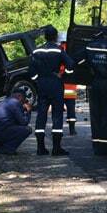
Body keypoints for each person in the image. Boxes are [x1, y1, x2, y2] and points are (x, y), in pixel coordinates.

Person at [30, 25, 74, 156]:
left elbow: (31, 72)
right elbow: (71, 66)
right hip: (56, 84)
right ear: (55, 37)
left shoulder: (36, 52)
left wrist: (38, 79)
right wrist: (63, 75)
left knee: (41, 115)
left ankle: (40, 148)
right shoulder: (59, 51)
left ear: (45, 36)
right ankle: (56, 148)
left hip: (42, 85)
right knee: (57, 116)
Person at [76, 33, 107, 155]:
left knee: (95, 115)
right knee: (105, 115)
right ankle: (105, 146)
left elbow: (76, 60)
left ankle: (97, 146)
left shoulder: (90, 47)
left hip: (94, 82)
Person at [0, 88, 32, 155]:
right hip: (0, 132)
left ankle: (0, 148)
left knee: (12, 128)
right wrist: (28, 111)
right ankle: (7, 149)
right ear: (20, 96)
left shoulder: (5, 101)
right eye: (24, 99)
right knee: (27, 129)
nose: (23, 102)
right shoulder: (15, 103)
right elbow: (24, 122)